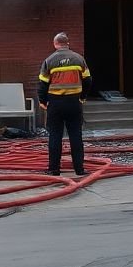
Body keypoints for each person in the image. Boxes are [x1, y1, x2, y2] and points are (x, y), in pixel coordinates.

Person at [37, 32, 92, 176]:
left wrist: (43, 102)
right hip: (74, 102)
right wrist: (83, 97)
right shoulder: (79, 59)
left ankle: (54, 169)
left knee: (55, 135)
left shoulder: (49, 60)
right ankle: (79, 169)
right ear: (68, 43)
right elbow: (88, 80)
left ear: (55, 44)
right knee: (76, 135)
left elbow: (42, 84)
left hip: (55, 103)